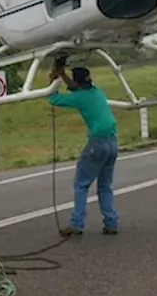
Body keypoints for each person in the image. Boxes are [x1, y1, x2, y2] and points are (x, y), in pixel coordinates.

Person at [47, 64, 119, 236]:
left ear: (77, 83)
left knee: (81, 184)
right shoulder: (98, 92)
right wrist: (63, 75)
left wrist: (54, 80)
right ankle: (111, 223)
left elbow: (53, 99)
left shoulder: (79, 98)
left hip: (97, 144)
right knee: (105, 186)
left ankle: (76, 224)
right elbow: (76, 88)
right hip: (113, 142)